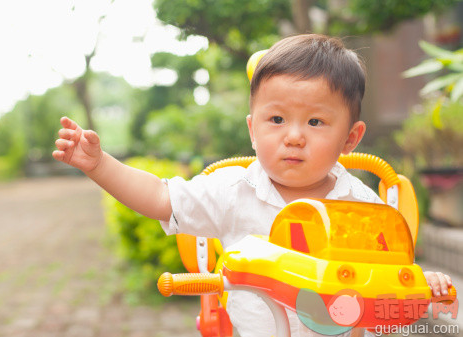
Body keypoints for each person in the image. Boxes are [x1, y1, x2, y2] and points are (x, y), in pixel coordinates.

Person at [53, 34, 452, 336]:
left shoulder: (361, 205)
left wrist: (421, 280)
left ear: (351, 137)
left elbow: (392, 271)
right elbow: (160, 197)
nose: (293, 136)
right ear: (252, 130)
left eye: (315, 122)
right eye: (276, 120)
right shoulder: (232, 191)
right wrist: (100, 165)